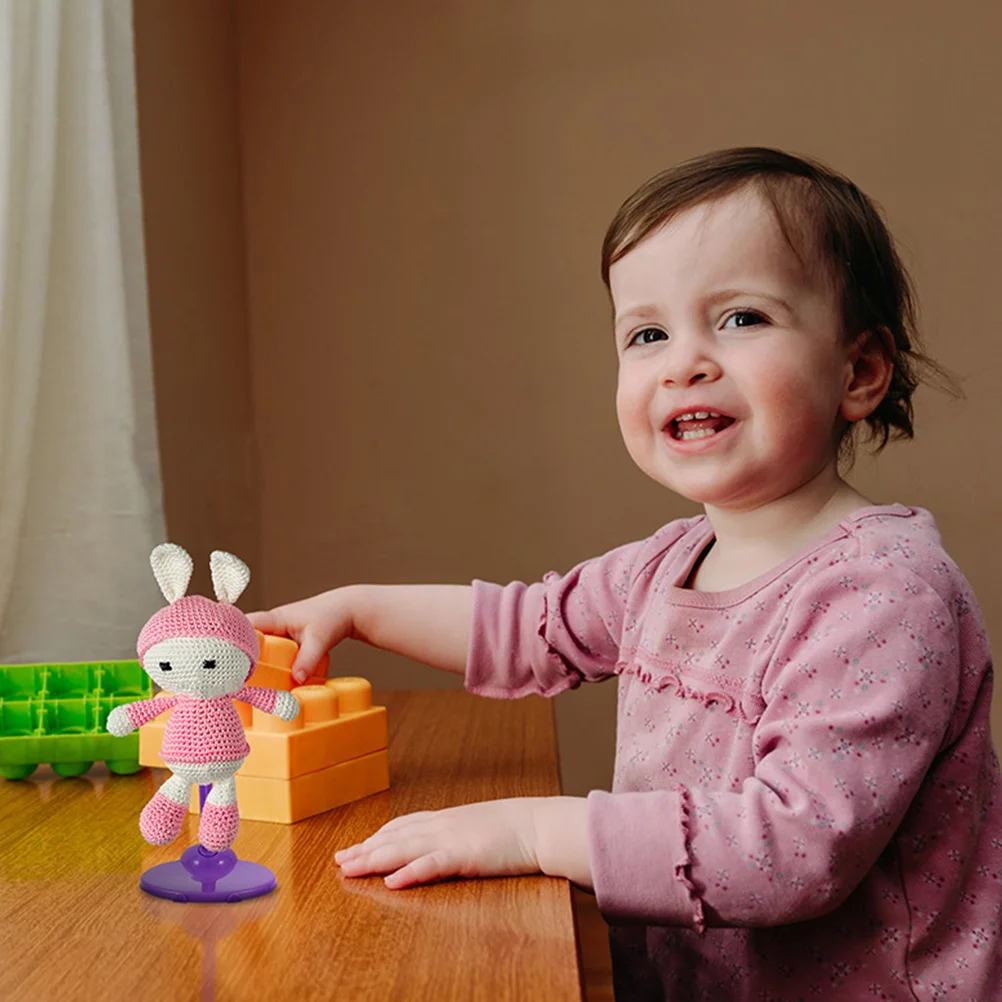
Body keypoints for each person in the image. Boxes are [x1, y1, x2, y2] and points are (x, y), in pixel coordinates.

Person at [249, 147, 1002, 1000]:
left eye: (742, 318)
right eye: (648, 334)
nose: (685, 361)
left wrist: (534, 831)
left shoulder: (884, 592)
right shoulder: (668, 564)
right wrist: (352, 610)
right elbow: (527, 626)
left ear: (858, 371)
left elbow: (792, 848)